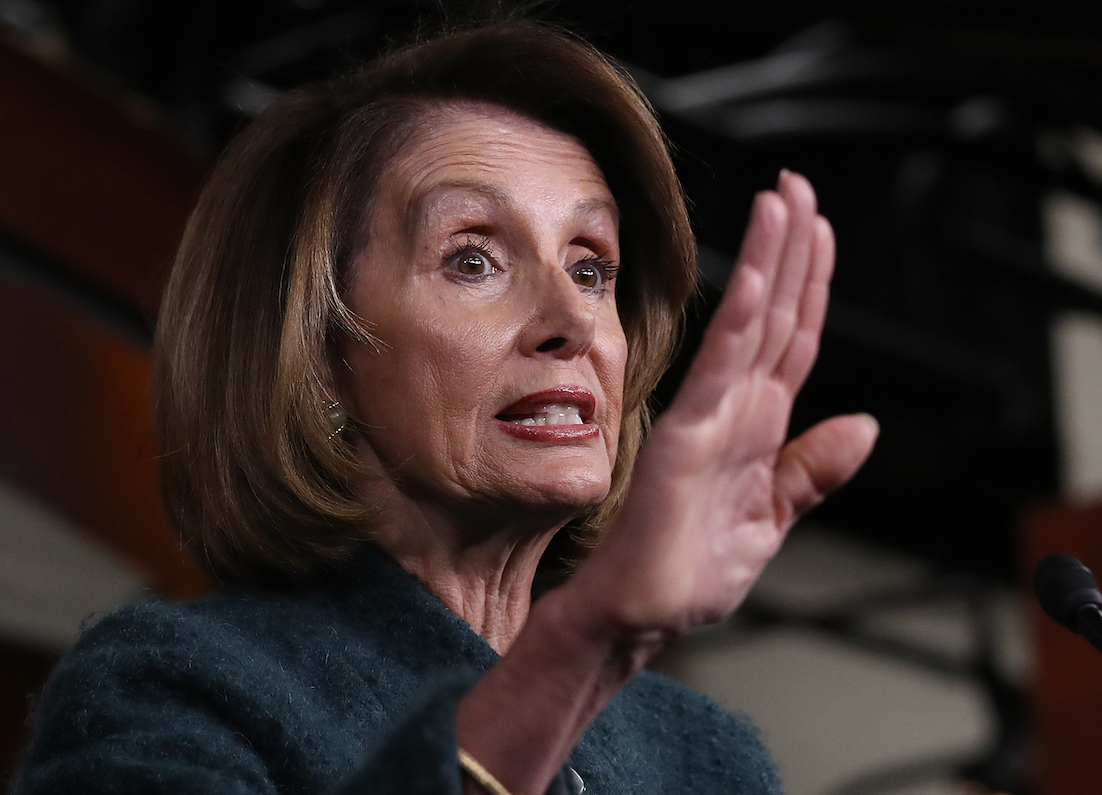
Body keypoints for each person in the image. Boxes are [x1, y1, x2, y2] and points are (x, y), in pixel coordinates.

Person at [12, 18, 878, 795]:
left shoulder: (706, 759)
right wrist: (579, 646)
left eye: (590, 267)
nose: (571, 320)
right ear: (317, 355)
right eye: (473, 259)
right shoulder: (178, 686)